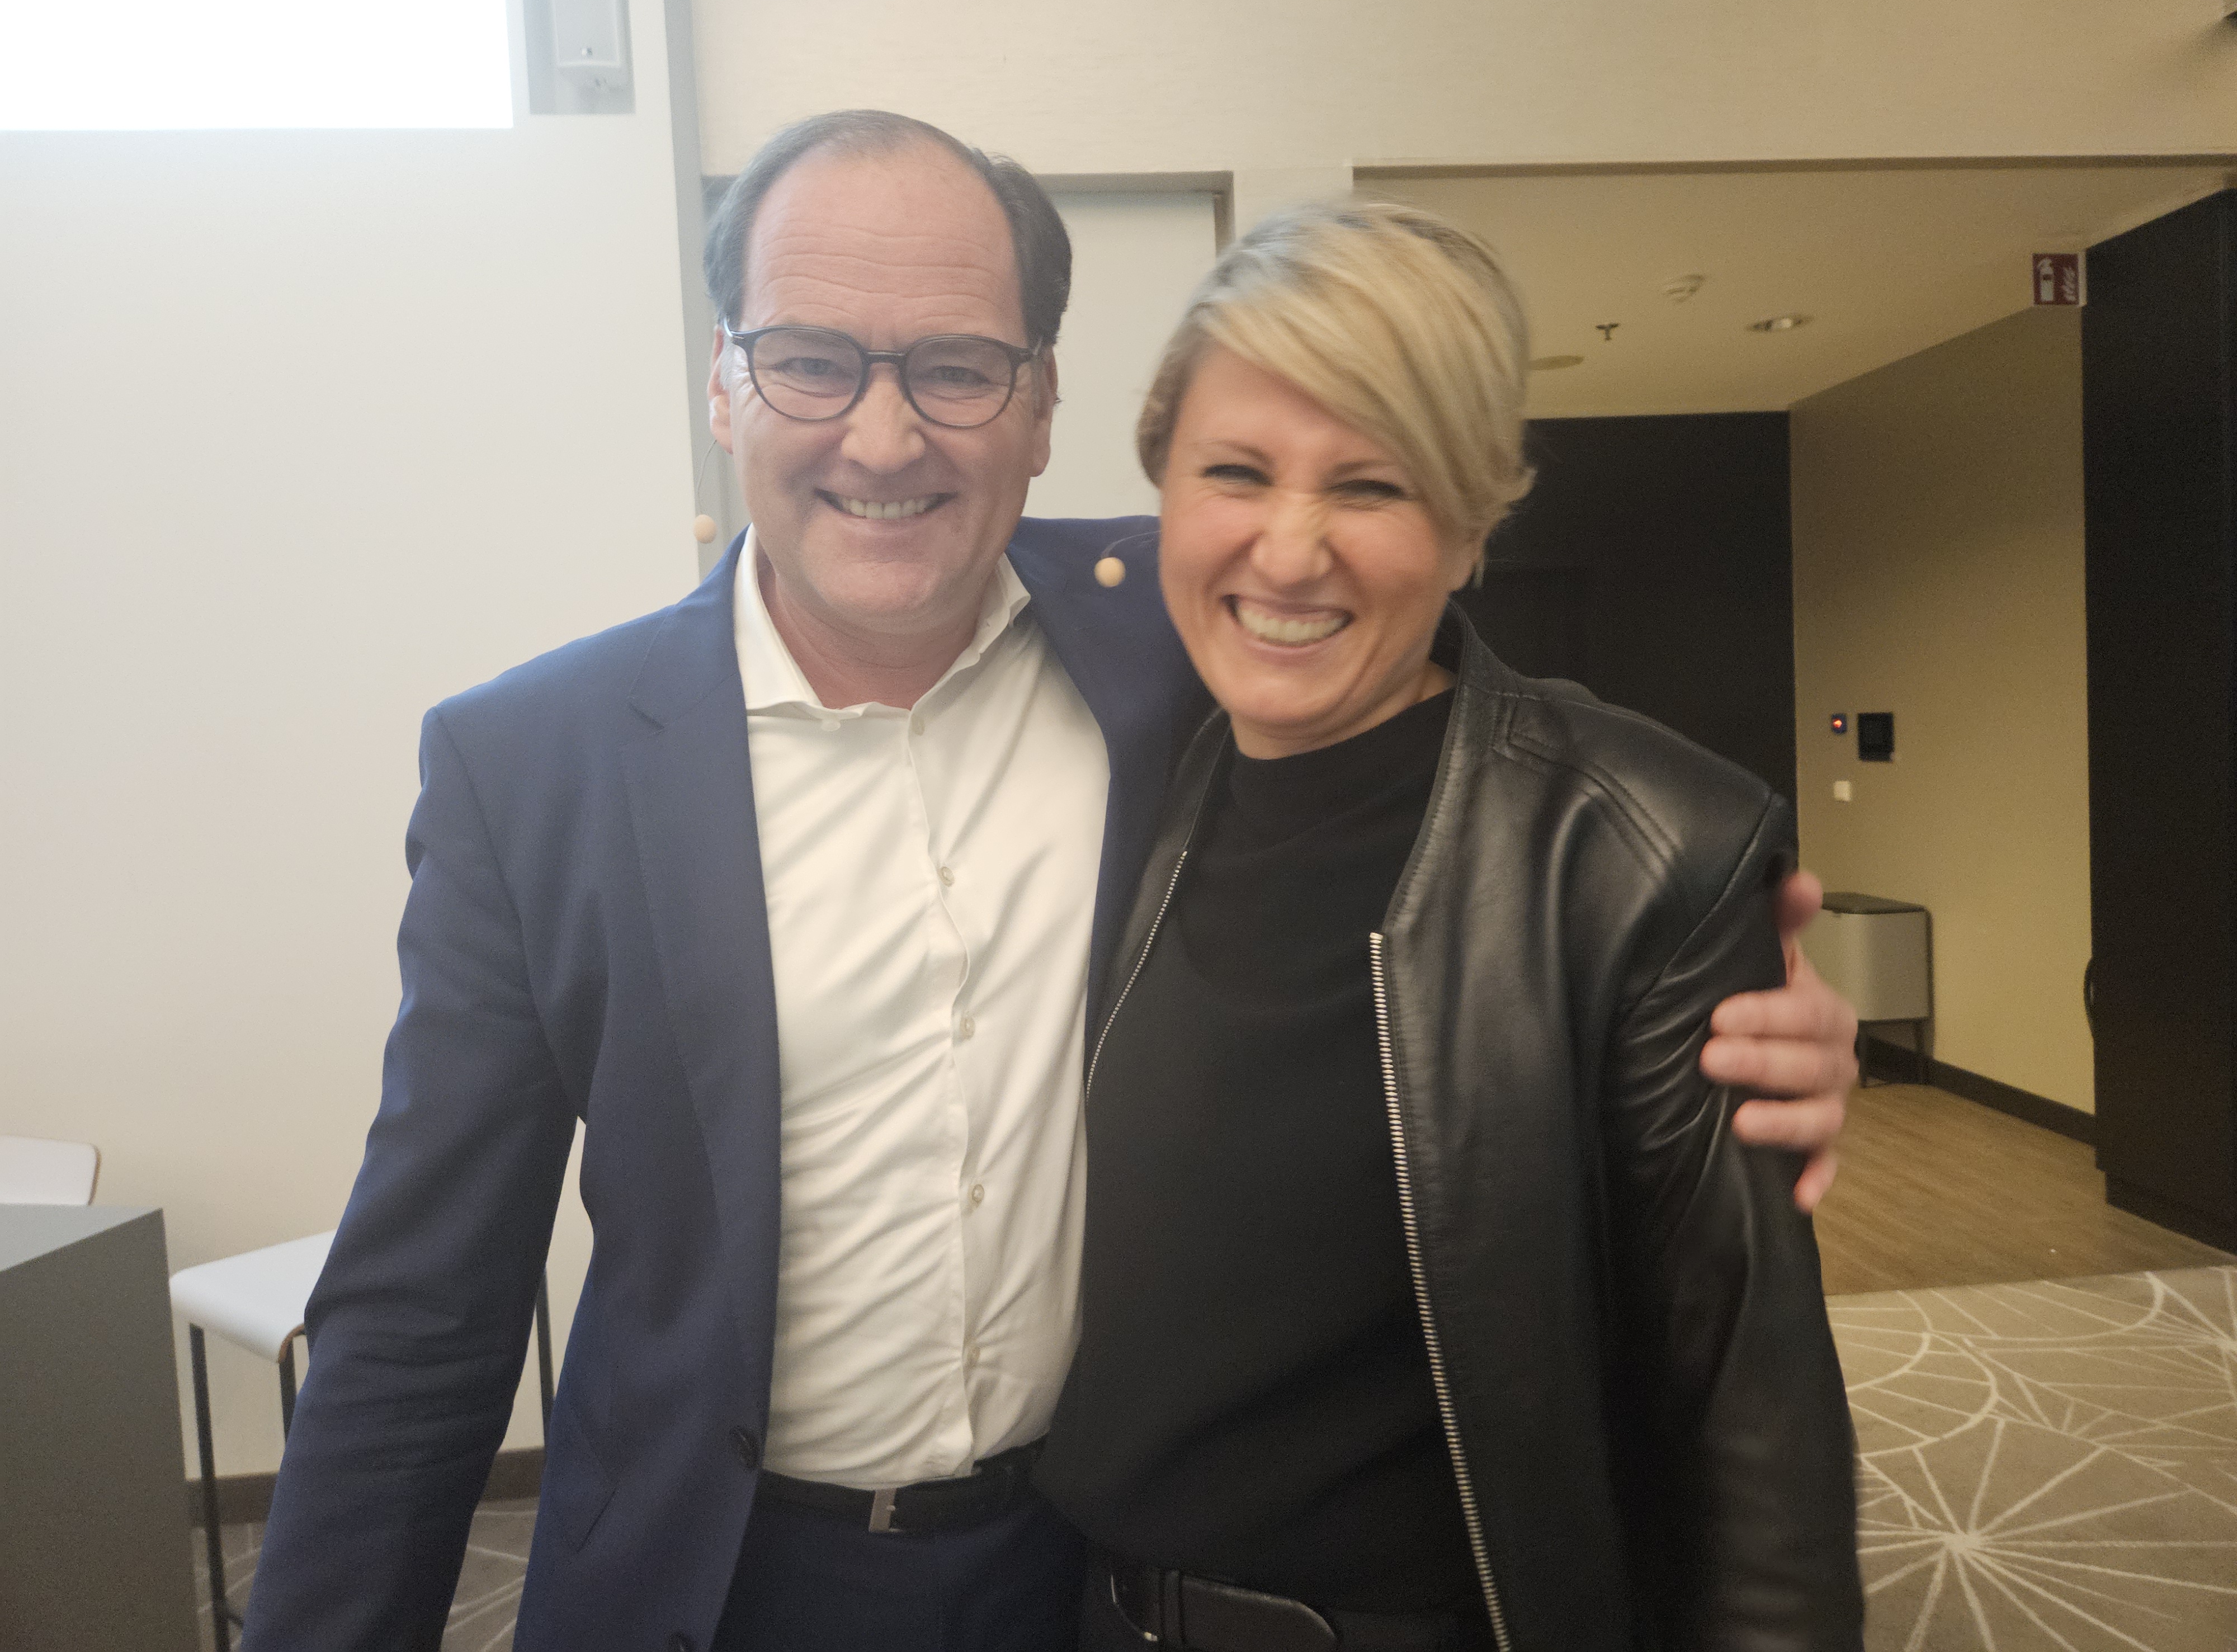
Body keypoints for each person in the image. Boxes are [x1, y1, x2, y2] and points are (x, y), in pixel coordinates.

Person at [241, 114, 1857, 1652]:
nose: (884, 437)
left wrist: (1693, 935)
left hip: (1069, 1571)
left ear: (1040, 404)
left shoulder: (1166, 647)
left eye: (956, 368)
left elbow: (1447, 726)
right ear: (725, 385)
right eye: (810, 359)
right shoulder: (535, 766)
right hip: (711, 1577)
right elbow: (423, 1312)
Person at [1037, 202, 1863, 1651]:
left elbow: (1755, 1440)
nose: (1289, 550)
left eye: (1373, 485)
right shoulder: (1128, 768)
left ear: (1474, 527)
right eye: (1235, 471)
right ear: (1161, 481)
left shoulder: (1634, 854)